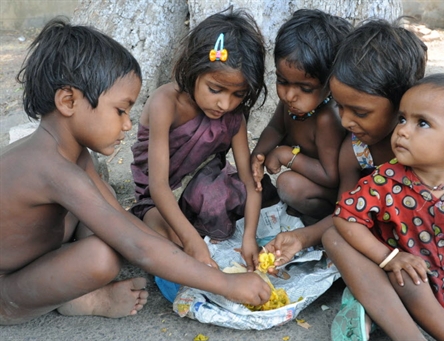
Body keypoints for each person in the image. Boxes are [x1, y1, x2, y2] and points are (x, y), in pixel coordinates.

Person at [0, 18, 270, 325]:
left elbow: (119, 216)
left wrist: (185, 249)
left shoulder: (73, 154)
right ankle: (73, 298)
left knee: (105, 215)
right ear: (68, 101)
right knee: (103, 256)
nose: (128, 125)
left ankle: (68, 290)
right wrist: (227, 284)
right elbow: (135, 244)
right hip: (6, 286)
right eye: (120, 111)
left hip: (39, 252)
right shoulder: (51, 167)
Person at [329, 73, 444, 340]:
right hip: (411, 269)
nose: (402, 129)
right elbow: (346, 218)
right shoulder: (386, 179)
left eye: (422, 123)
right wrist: (389, 258)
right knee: (410, 281)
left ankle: (391, 310)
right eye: (402, 118)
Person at [264, 19, 427, 268]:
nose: (347, 121)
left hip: (428, 242)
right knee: (335, 240)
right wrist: (301, 238)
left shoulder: (428, 146)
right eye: (340, 107)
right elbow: (346, 211)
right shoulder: (355, 149)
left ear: (402, 102)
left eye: (360, 113)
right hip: (382, 243)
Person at [130, 8, 266, 271]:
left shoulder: (233, 116)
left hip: (203, 187)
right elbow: (158, 187)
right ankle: (191, 232)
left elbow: (250, 183)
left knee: (241, 192)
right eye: (215, 89)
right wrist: (192, 242)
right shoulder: (165, 103)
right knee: (166, 239)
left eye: (238, 94)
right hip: (161, 196)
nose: (225, 104)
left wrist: (249, 238)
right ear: (193, 70)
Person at [250, 9, 351, 221]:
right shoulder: (292, 102)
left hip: (331, 191)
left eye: (305, 88)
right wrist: (257, 157)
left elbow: (331, 176)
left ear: (329, 83)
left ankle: (321, 220)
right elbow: (276, 129)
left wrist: (286, 155)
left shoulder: (327, 119)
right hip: (309, 177)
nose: (289, 95)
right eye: (282, 81)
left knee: (288, 185)